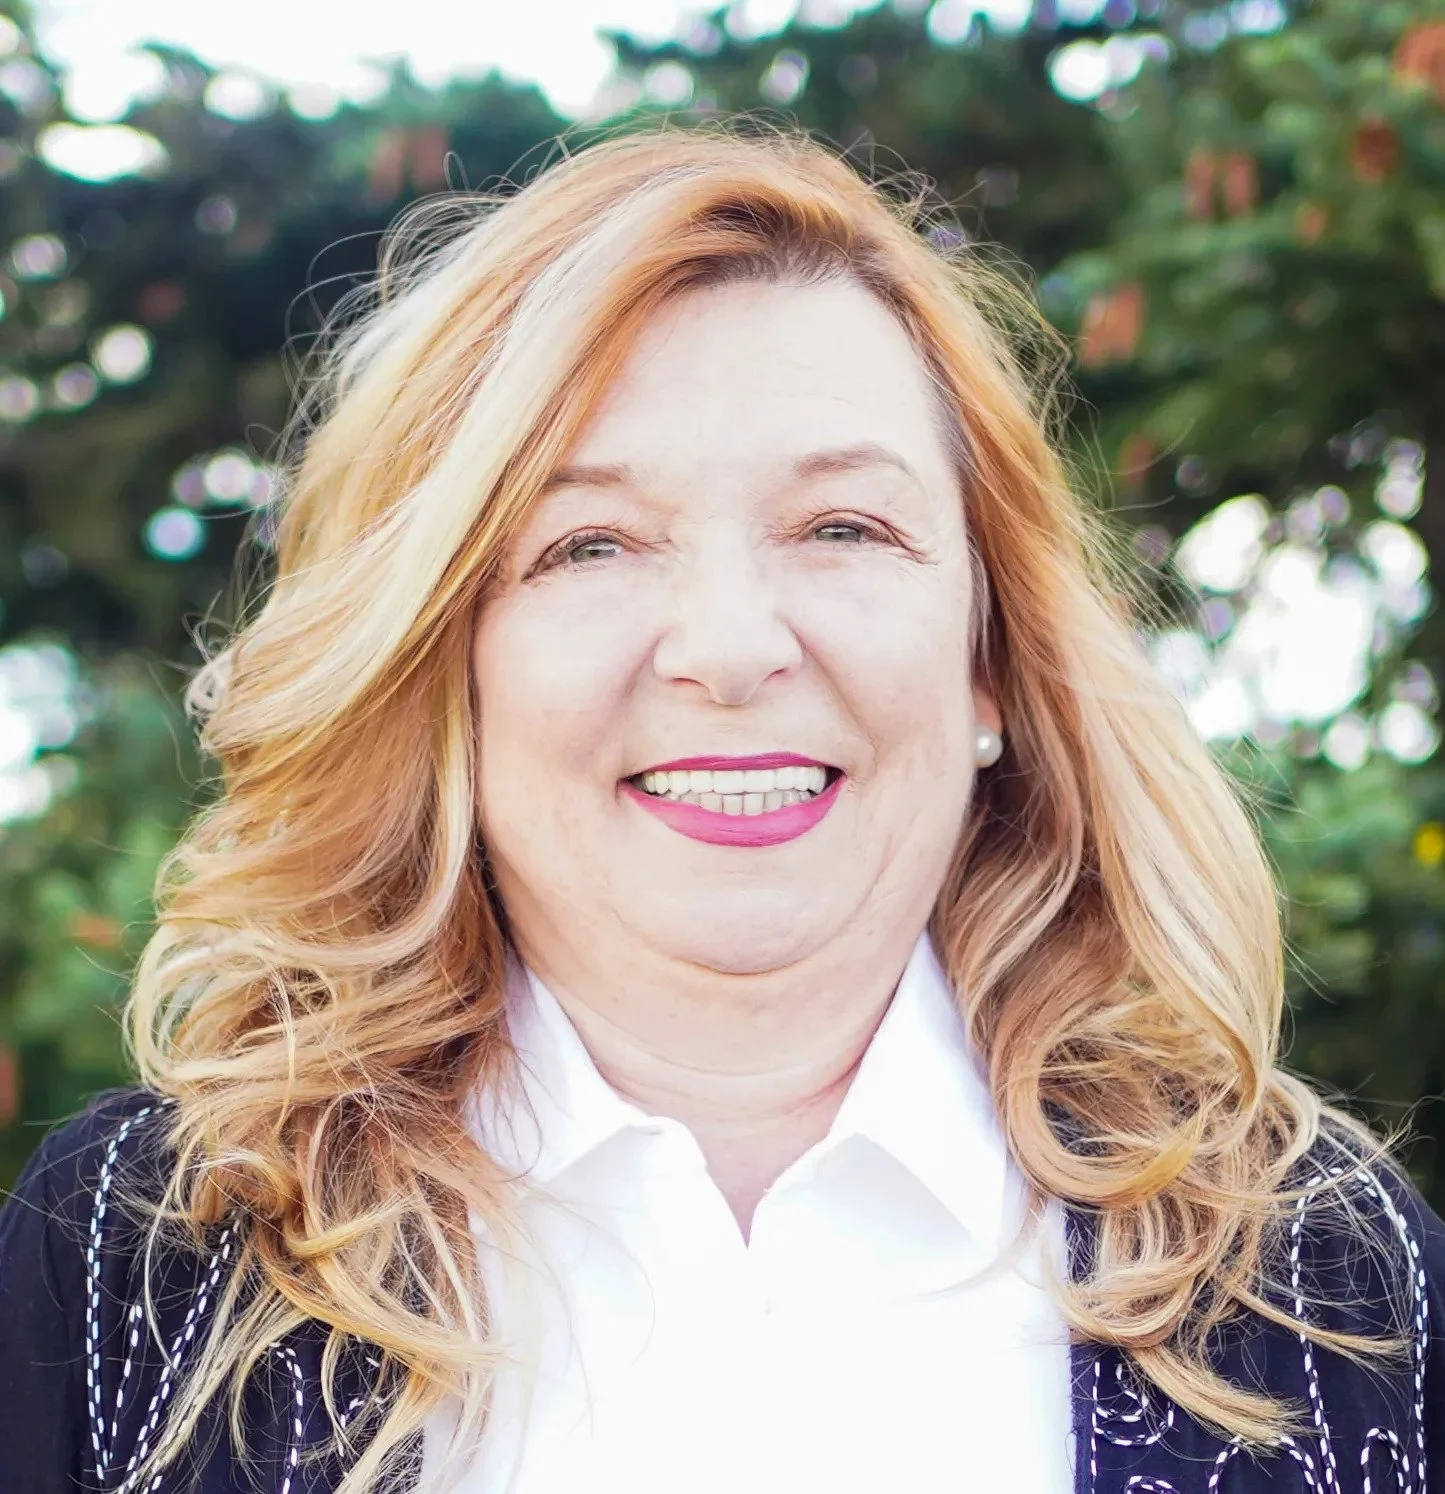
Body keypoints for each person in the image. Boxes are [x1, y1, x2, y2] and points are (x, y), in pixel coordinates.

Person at [0, 124, 1441, 1494]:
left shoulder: (1323, 1277)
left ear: (990, 656)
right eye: (591, 542)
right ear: (444, 659)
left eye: (841, 528)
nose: (732, 646)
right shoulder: (138, 1260)